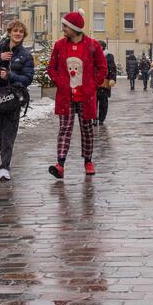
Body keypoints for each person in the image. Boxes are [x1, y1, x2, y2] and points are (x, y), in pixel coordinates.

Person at [46, 11, 107, 179]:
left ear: (74, 28)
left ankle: (88, 161)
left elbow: (102, 68)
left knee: (87, 130)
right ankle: (60, 164)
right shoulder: (59, 45)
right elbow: (51, 68)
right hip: (66, 96)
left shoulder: (92, 45)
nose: (63, 29)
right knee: (65, 129)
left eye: (65, 26)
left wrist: (92, 85)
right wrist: (60, 81)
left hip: (86, 96)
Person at [0, 20, 34, 182]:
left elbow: (28, 78)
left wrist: (10, 76)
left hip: (13, 98)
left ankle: (4, 167)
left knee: (9, 135)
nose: (18, 34)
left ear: (23, 35)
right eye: (15, 31)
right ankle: (4, 155)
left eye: (21, 32)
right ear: (9, 32)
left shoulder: (25, 55)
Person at [97, 40, 118, 125]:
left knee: (103, 102)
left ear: (102, 47)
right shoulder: (92, 55)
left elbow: (112, 69)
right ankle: (94, 118)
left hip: (104, 83)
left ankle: (101, 119)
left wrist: (112, 79)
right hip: (94, 82)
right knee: (92, 102)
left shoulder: (109, 57)